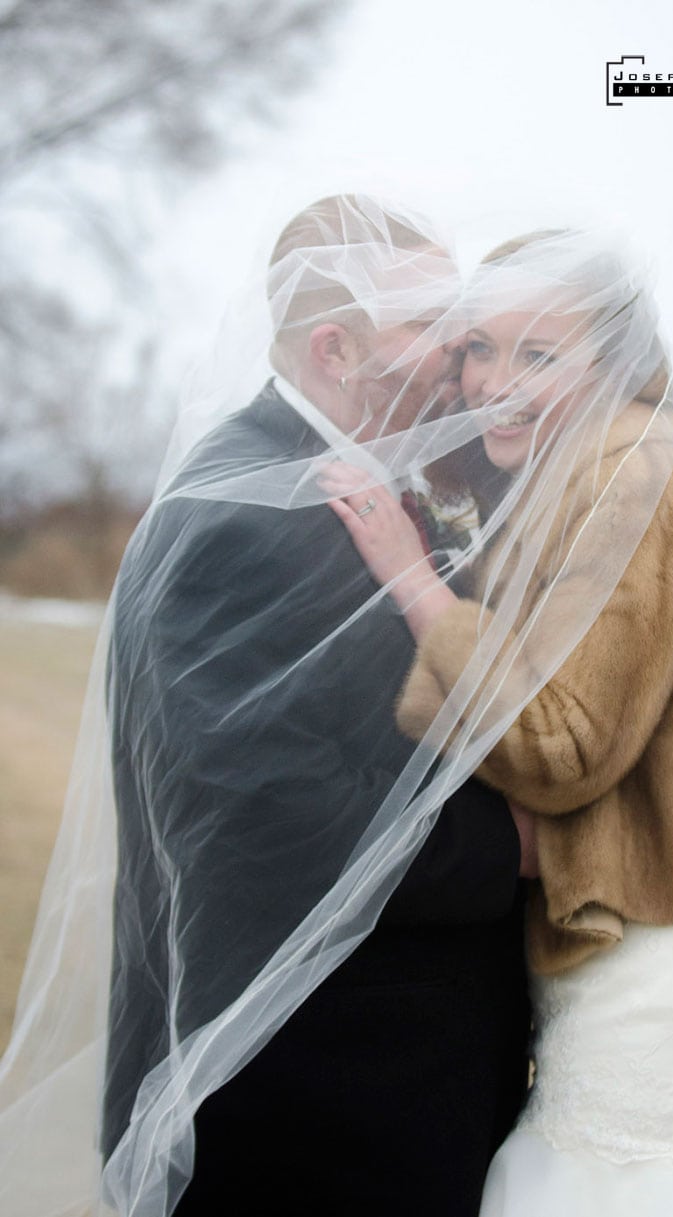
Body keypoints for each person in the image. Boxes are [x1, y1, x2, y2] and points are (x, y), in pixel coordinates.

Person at [0, 196, 532, 1217]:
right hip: (318, 1108)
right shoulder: (241, 512)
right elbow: (267, 809)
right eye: (432, 325)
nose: (461, 351)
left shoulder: (353, 479)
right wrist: (505, 846)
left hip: (379, 1095)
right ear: (337, 348)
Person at [322, 228, 673, 1216]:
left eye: (538, 354)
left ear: (610, 360)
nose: (493, 381)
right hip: (670, 933)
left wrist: (412, 584)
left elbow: (562, 745)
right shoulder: (586, 467)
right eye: (479, 347)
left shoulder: (630, 475)